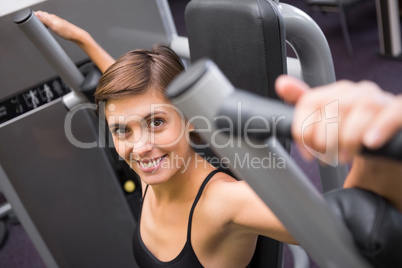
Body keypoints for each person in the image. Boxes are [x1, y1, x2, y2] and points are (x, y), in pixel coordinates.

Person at [36, 11, 402, 267]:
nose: (140, 145)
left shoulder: (224, 203)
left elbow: (361, 235)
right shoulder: (151, 165)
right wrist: (84, 41)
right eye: (122, 131)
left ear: (191, 121)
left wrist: (381, 145)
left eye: (157, 122)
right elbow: (133, 104)